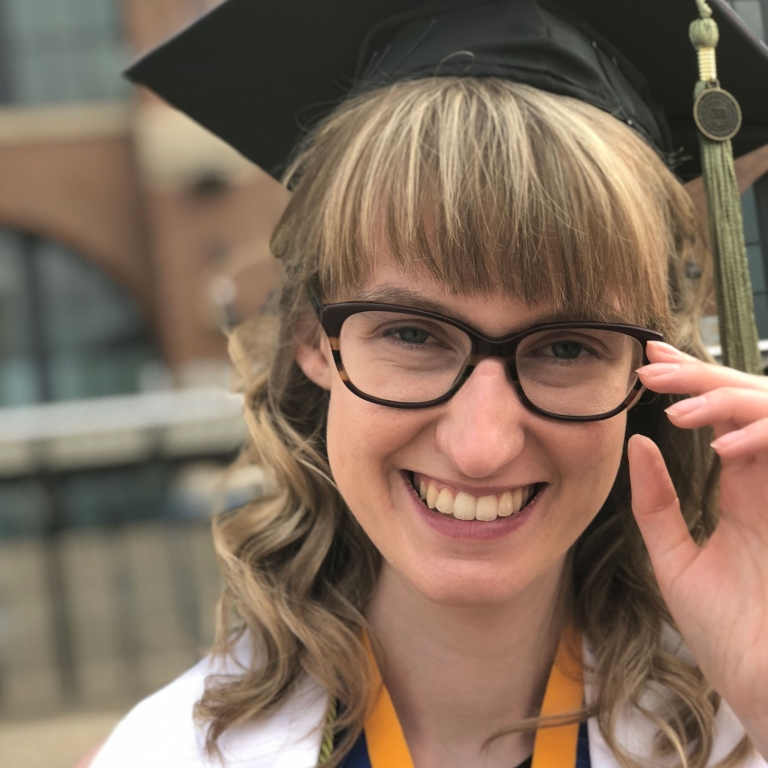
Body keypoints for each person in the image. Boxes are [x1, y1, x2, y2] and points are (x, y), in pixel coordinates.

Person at [89, 1, 768, 766]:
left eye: (569, 348)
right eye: (413, 334)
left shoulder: (743, 725)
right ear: (313, 338)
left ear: (651, 371)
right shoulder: (163, 755)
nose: (481, 446)